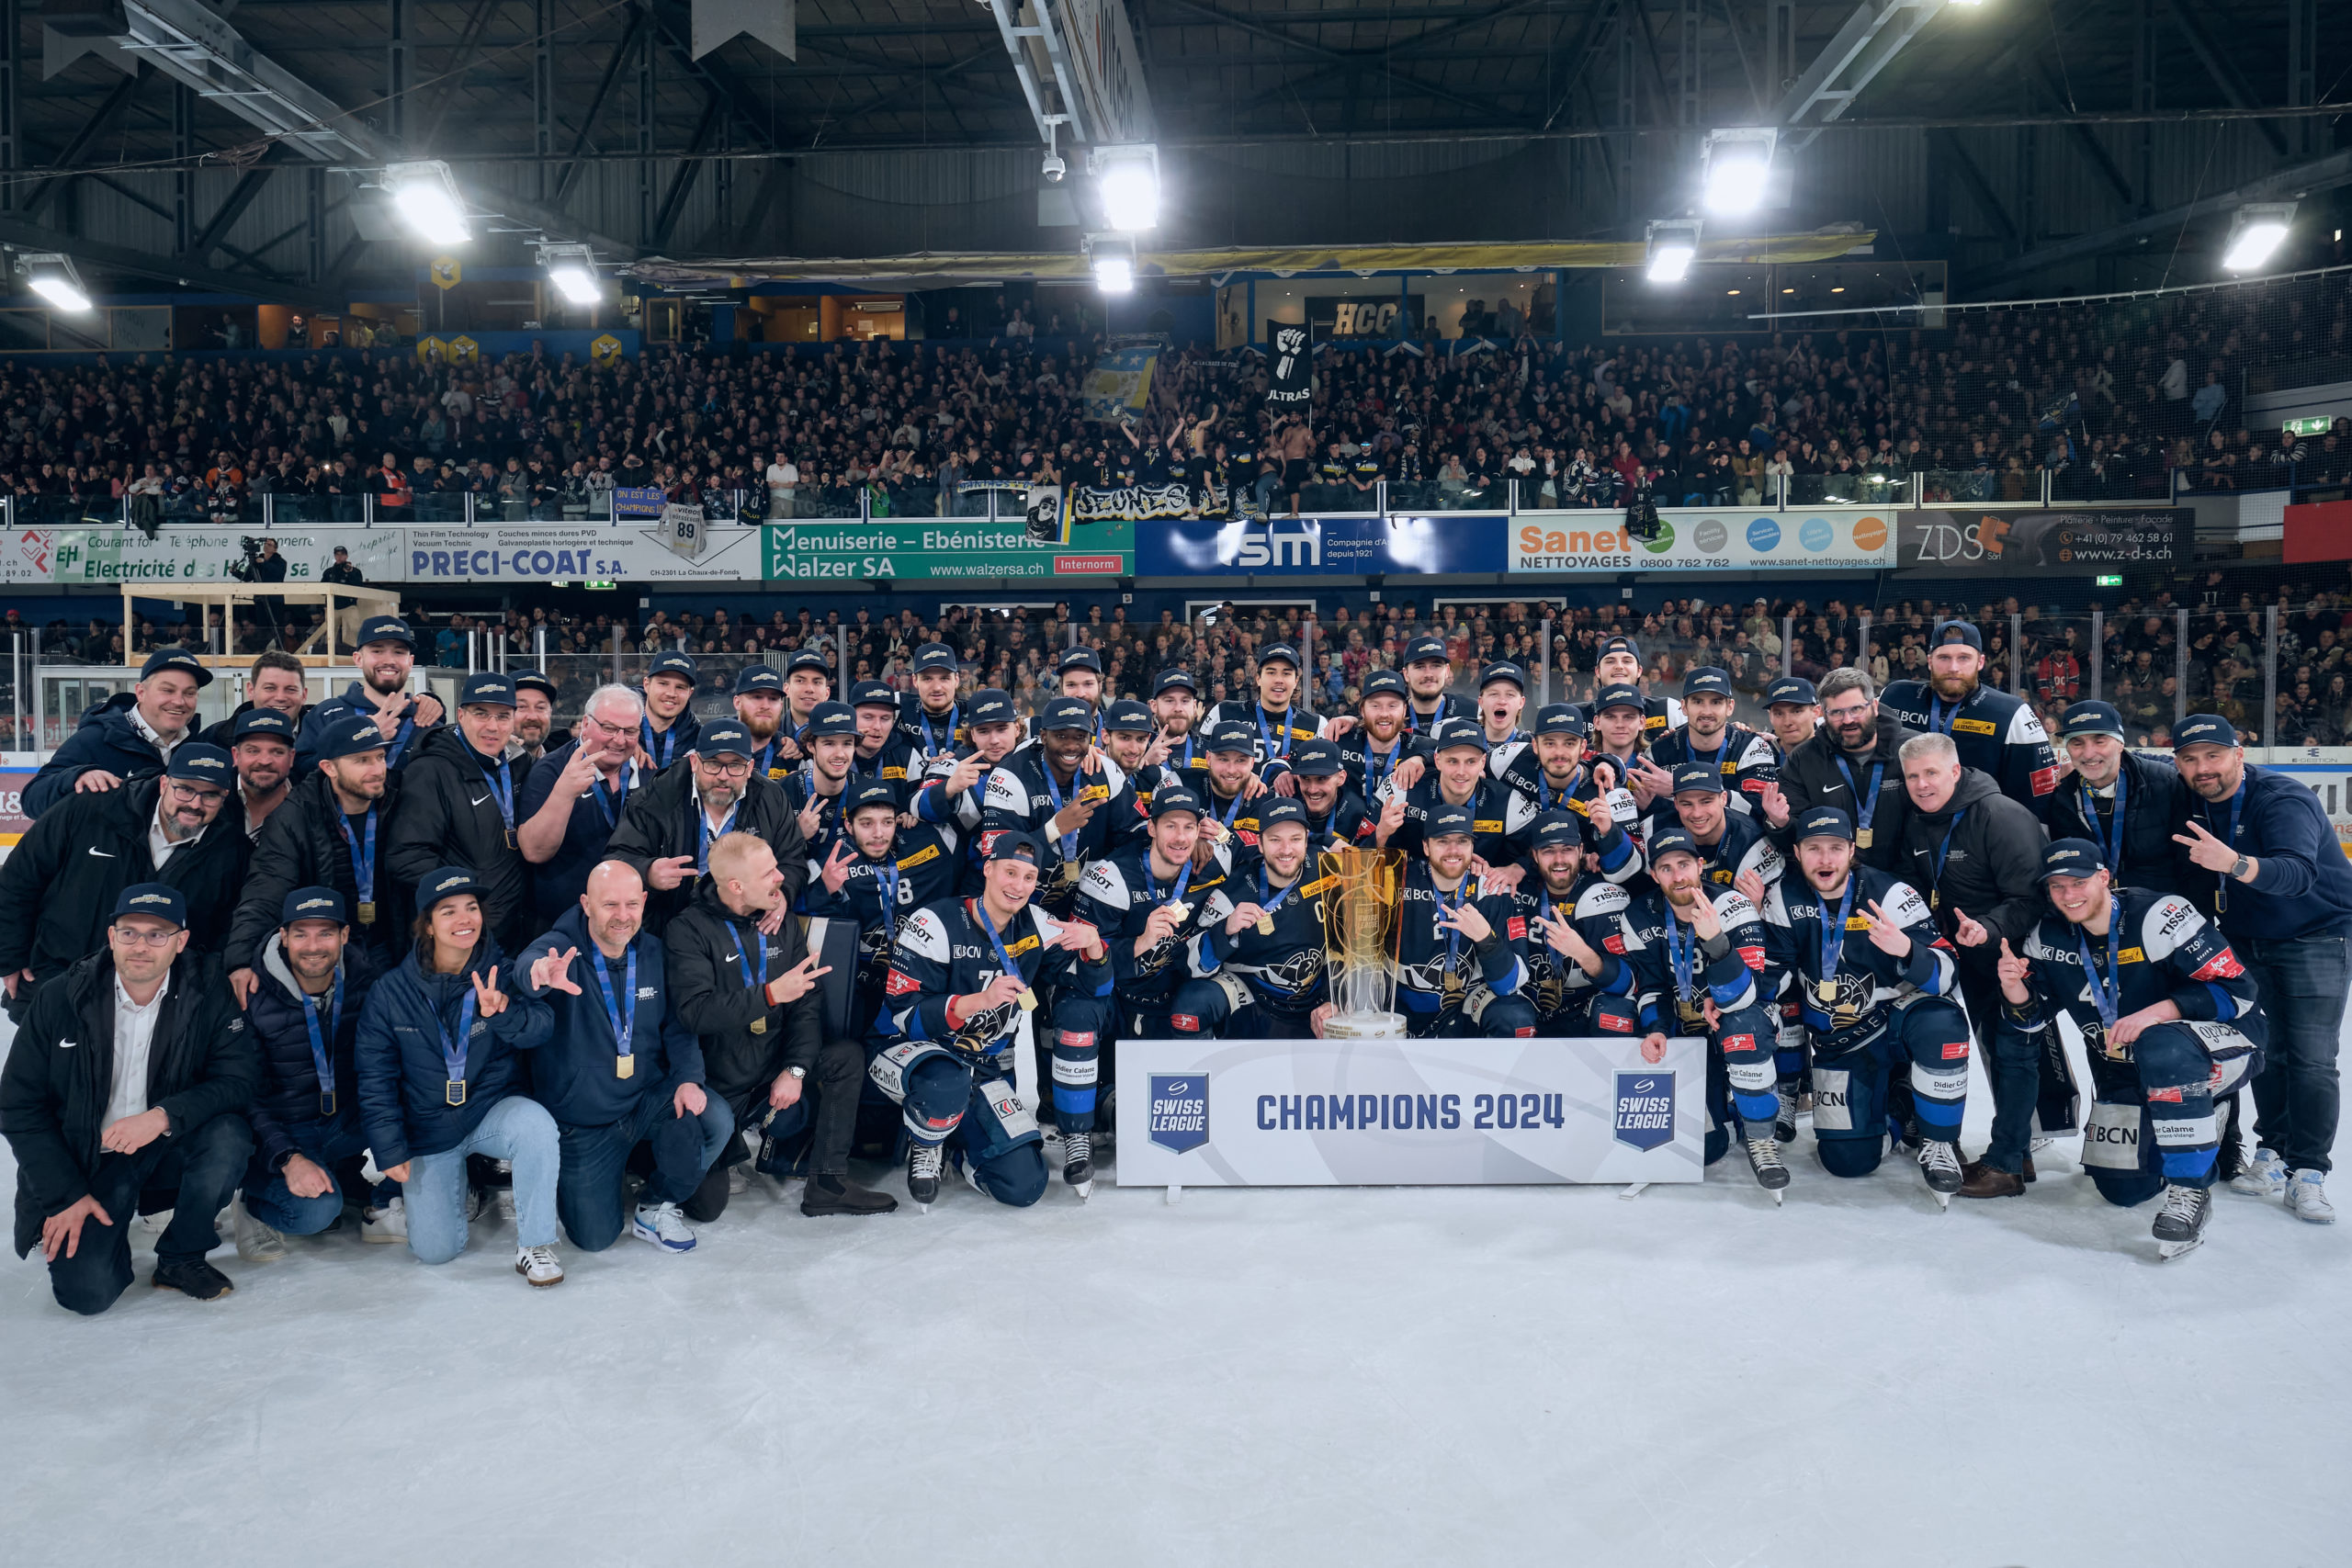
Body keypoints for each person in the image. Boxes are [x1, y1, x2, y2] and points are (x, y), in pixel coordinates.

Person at [1997, 840, 2267, 1258]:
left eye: (2079, 882)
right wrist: (2015, 988)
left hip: (2224, 1042)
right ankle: (2187, 1126)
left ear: (2104, 878)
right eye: (2057, 887)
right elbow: (2035, 1019)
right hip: (2126, 1065)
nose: (2069, 895)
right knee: (2123, 1190)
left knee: (2161, 1045)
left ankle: (2189, 1190)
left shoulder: (2161, 915)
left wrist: (2158, 1013)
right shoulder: (2045, 936)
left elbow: (2240, 993)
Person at [0, 884, 257, 1314]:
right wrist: (63, 1195)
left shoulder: (207, 992)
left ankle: (181, 1256)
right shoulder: (60, 997)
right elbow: (17, 1105)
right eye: (130, 932)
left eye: (158, 934)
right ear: (111, 937)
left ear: (181, 942)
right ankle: (107, 1232)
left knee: (228, 1135)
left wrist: (162, 1117)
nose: (141, 946)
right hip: (87, 1161)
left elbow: (238, 1079)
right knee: (87, 1294)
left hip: (164, 1145)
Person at [2172, 713, 2352, 1223]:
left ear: (2239, 755)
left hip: (2316, 934)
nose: (2203, 768)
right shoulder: (2190, 801)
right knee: (2264, 1049)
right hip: (2244, 938)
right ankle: (2272, 1151)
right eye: (2190, 759)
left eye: (2213, 755)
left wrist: (2233, 863)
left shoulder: (2282, 798)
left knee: (2313, 1056)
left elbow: (2296, 873)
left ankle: (2309, 1172)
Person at [873, 831, 1114, 1203]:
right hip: (909, 1055)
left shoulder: (1037, 923)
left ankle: (960, 1148)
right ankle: (926, 1139)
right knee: (946, 1081)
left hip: (981, 1067)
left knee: (1025, 1185)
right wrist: (976, 1001)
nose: (1018, 886)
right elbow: (905, 1017)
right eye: (1010, 872)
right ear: (988, 869)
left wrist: (1096, 949)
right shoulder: (934, 922)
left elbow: (1094, 991)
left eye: (1029, 878)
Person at [355, 866, 561, 1282]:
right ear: (427, 926)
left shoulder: (502, 971)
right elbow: (374, 1076)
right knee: (435, 1252)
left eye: (471, 908)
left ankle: (535, 1244)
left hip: (487, 1110)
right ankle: (458, 1185)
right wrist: (390, 1147)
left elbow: (542, 1027)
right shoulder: (390, 992)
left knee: (535, 1126)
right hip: (428, 1126)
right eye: (448, 911)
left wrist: (503, 1012)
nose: (464, 919)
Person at [515, 861, 732, 1254]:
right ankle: (608, 1175)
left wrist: (687, 1078)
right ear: (586, 904)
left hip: (645, 1100)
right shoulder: (559, 949)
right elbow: (529, 965)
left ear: (645, 901)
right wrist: (539, 973)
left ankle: (654, 1202)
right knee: (595, 1239)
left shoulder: (653, 952)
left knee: (715, 1118)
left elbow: (677, 1027)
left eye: (632, 904)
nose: (622, 916)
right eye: (610, 904)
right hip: (585, 1120)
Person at [1760, 807, 1970, 1200]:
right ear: (1797, 851)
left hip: (1899, 1018)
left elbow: (1948, 974)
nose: (1825, 859)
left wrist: (1907, 950)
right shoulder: (1783, 898)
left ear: (1852, 850)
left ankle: (1940, 1143)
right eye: (1814, 848)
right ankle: (1901, 1106)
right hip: (1842, 1037)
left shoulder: (1892, 894)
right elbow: (1776, 974)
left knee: (1944, 1024)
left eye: (1836, 848)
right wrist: (1749, 1005)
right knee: (1846, 1160)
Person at [1894, 732, 2052, 1199]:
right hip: (1963, 951)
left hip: (2012, 955)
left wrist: (1987, 927)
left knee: (2013, 1053)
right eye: (1912, 777)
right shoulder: (1920, 819)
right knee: (1992, 1050)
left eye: (1931, 774)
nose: (1922, 784)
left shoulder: (1999, 815)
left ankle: (2007, 1162)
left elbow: (2033, 898)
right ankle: (2011, 1149)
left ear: (1956, 771)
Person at [795, 779, 956, 1216]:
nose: (879, 833)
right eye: (866, 823)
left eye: (887, 821)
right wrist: (823, 890)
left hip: (911, 985)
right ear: (847, 824)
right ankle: (821, 1144)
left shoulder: (923, 846)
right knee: (848, 1058)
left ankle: (930, 1137)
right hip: (852, 990)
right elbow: (798, 928)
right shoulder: (827, 860)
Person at [0, 742, 245, 1021]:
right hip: (59, 983)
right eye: (185, 789)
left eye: (210, 795)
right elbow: (20, 877)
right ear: (164, 782)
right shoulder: (92, 809)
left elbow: (226, 929)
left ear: (225, 797)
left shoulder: (231, 850)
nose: (195, 804)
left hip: (157, 1006)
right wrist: (10, 956)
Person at [664, 831, 833, 1223]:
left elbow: (808, 1001)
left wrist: (795, 1070)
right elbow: (696, 1013)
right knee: (707, 1208)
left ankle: (829, 1181)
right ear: (737, 886)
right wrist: (771, 994)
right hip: (717, 1083)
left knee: (844, 1059)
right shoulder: (686, 930)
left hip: (769, 1068)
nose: (781, 879)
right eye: (769, 873)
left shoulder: (779, 917)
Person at [1608, 825, 1783, 1190]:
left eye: (1684, 864)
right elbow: (1652, 986)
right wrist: (1656, 1028)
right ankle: (1731, 1110)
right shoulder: (1639, 915)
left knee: (1743, 1025)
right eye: (1666, 868)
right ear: (1654, 874)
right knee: (1708, 1148)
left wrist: (1716, 942)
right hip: (1687, 1032)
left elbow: (1750, 993)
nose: (1678, 876)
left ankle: (1763, 1139)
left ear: (1700, 865)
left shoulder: (1731, 905)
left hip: (1739, 1018)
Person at [232, 888, 401, 1259]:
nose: (313, 946)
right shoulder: (251, 996)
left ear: (343, 936)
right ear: (283, 936)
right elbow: (245, 1095)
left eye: (324, 933)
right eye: (301, 933)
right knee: (317, 1213)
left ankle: (385, 1202)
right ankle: (252, 1203)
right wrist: (289, 1158)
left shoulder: (367, 984)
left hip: (345, 1122)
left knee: (421, 1092)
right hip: (287, 1131)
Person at [229, 715, 403, 989]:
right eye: (362, 761)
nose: (377, 769)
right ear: (329, 768)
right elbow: (266, 890)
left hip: (393, 942)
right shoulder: (295, 816)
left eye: (380, 757)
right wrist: (240, 959)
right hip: (327, 951)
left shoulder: (399, 798)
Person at [605, 718, 809, 937]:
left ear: (750, 768)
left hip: (745, 926)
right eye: (713, 763)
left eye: (735, 765)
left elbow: (793, 859)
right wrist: (648, 872)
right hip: (669, 925)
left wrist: (783, 895)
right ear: (694, 762)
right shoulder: (656, 797)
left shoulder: (771, 798)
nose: (723, 776)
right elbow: (617, 859)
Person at [387, 672, 533, 954]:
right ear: (461, 715)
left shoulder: (518, 764)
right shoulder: (430, 771)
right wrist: (465, 903)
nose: (493, 726)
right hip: (460, 938)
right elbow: (407, 857)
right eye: (481, 714)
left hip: (514, 933)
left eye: (503, 716)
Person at [1076, 785, 1236, 1043]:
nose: (1181, 838)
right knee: (1076, 1012)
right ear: (1151, 828)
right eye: (1170, 826)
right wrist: (1141, 942)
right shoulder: (1112, 877)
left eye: (1188, 827)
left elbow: (1268, 858)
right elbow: (1083, 964)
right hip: (1117, 1000)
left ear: (1199, 832)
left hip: (1177, 1001)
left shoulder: (1215, 862)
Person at [1170, 796, 1334, 1038]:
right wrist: (1225, 931)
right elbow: (1186, 964)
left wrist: (1338, 998)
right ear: (1260, 844)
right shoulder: (1232, 893)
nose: (1286, 850)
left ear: (1307, 840)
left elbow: (1359, 942)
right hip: (1255, 999)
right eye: (1275, 840)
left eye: (1296, 839)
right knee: (1191, 1007)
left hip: (1317, 1002)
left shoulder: (1328, 868)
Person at [982, 694, 1145, 918]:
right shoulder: (1010, 778)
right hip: (1020, 905)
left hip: (1086, 902)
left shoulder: (1105, 771)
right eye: (1061, 736)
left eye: (1079, 736)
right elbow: (996, 859)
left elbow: (1136, 832)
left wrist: (1180, 834)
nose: (1071, 746)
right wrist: (1054, 828)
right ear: (1043, 736)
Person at [1880, 620, 2059, 810]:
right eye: (1944, 658)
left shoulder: (2011, 712)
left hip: (1977, 833)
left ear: (1980, 662)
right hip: (1905, 831)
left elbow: (2038, 799)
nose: (1953, 668)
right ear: (1930, 662)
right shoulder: (1894, 697)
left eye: (1964, 658)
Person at [1389, 803, 1535, 1037]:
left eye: (1462, 841)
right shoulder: (1397, 880)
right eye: (1442, 841)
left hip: (1466, 1008)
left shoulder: (1493, 891)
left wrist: (1486, 939)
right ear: (1425, 846)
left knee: (1515, 1018)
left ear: (1472, 846)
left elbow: (1509, 985)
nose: (1453, 850)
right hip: (1402, 1009)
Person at [518, 683, 650, 931]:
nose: (619, 740)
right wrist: (564, 793)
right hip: (562, 924)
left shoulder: (645, 771)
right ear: (586, 724)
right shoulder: (551, 771)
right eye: (609, 728)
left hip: (627, 922)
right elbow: (534, 852)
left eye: (630, 731)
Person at [24, 647, 209, 818]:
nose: (179, 701)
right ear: (141, 692)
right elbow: (32, 800)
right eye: (168, 690)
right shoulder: (96, 739)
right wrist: (76, 777)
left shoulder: (198, 747)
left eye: (189, 693)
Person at [1768, 669, 1917, 874]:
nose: (1848, 720)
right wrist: (1781, 824)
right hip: (1834, 882)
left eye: (1856, 709)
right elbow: (1797, 837)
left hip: (1906, 880)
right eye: (1836, 712)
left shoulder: (1914, 750)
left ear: (1874, 706)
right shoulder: (1802, 760)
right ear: (1823, 714)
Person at [2043, 699, 2193, 897]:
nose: (2088, 754)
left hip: (2161, 911)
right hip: (2097, 910)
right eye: (2077, 743)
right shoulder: (2063, 798)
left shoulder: (2164, 784)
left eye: (2100, 741)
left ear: (2120, 743)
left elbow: (2191, 867)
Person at [1372, 717, 1535, 870]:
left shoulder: (1508, 803)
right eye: (1452, 761)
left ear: (1482, 763)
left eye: (1471, 762)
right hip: (1414, 891)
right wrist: (1380, 836)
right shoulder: (1402, 789)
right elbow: (1360, 858)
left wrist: (1519, 868)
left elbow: (1538, 855)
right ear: (1437, 761)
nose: (1461, 772)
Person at [294, 615, 445, 775]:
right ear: (358, 659)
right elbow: (301, 775)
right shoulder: (325, 715)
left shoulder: (428, 723)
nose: (389, 660)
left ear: (410, 661)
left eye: (399, 652)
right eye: (377, 650)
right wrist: (360, 739)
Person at [1649, 666, 1778, 816]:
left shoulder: (1752, 747)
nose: (1706, 711)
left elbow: (1760, 808)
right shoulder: (1659, 750)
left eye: (1716, 702)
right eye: (1698, 702)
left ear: (1730, 707)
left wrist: (1681, 786)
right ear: (1684, 707)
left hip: (1736, 838)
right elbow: (1645, 812)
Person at [1209, 642, 1327, 784]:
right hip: (1235, 805)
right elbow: (1203, 763)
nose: (1278, 680)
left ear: (1296, 681)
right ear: (1258, 679)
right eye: (1271, 672)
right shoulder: (1224, 712)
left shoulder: (1316, 725)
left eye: (1286, 673)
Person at [1569, 634, 1685, 746]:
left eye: (1627, 661)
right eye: (1610, 661)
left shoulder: (1669, 709)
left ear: (1639, 671)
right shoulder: (1574, 716)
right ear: (1598, 672)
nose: (1619, 666)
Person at [779, 700, 861, 854]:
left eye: (847, 744)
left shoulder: (866, 790)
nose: (840, 754)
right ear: (811, 746)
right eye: (829, 744)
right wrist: (796, 835)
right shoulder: (783, 790)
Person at [1336, 669, 1427, 803]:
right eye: (1375, 706)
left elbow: (1446, 751)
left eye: (1392, 705)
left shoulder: (1420, 747)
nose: (1384, 714)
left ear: (1404, 710)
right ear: (1362, 710)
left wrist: (1422, 758)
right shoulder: (1341, 741)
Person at [198, 649, 311, 748]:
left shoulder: (323, 741)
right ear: (251, 691)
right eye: (270, 688)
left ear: (304, 695)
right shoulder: (213, 739)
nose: (280, 697)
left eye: (291, 689)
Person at [1284, 738, 1372, 852]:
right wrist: (1327, 840)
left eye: (1321, 779)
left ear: (1341, 778)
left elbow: (1367, 861)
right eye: (1305, 778)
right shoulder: (1286, 797)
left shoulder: (1356, 812)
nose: (1312, 789)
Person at [227, 707, 298, 841]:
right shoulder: (212, 803)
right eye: (253, 751)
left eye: (277, 752)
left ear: (291, 757)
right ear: (236, 756)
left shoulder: (312, 808)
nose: (265, 761)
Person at [895, 644, 968, 762]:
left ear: (956, 680)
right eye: (927, 679)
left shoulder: (974, 713)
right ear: (915, 680)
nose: (937, 688)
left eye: (944, 678)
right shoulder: (898, 708)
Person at [637, 650, 702, 771]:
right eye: (663, 683)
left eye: (680, 687)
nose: (671, 693)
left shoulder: (698, 738)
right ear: (646, 685)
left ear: (690, 693)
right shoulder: (619, 729)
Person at [1397, 633, 1468, 737]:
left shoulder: (1470, 710)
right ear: (1406, 674)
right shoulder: (1392, 717)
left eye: (1436, 666)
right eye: (1420, 667)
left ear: (1447, 671)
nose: (1428, 674)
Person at [507, 670, 562, 774]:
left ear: (550, 712)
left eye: (540, 707)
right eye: (521, 707)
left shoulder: (565, 762)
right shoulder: (487, 765)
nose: (532, 716)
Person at [1761, 675, 1821, 761]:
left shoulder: (1834, 754)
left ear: (1815, 713)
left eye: (1797, 712)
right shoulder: (1759, 755)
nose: (1787, 722)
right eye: (1779, 714)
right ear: (1770, 716)